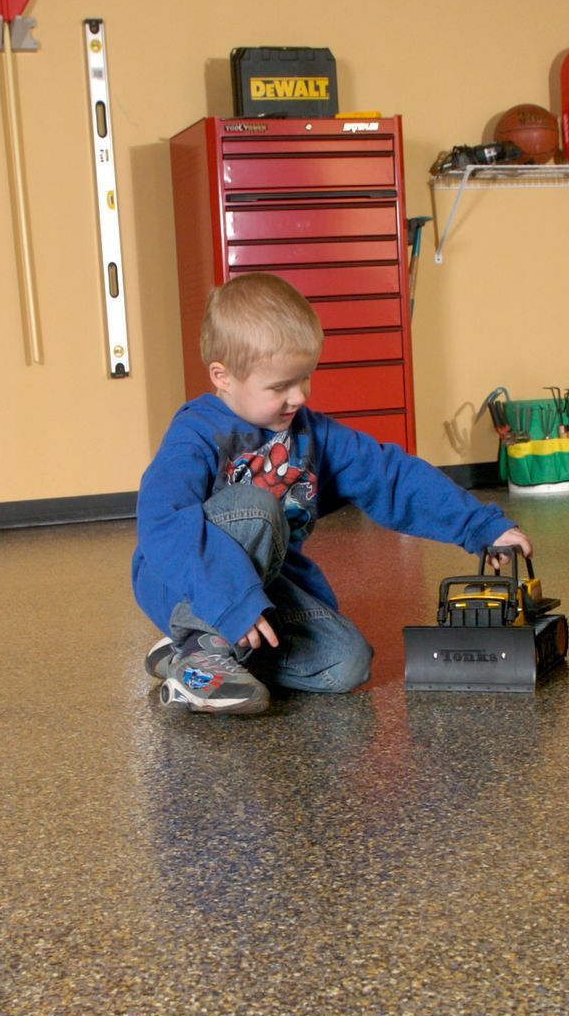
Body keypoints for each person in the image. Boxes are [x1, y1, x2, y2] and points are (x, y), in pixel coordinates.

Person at [134, 273, 532, 714]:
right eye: (279, 386)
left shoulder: (312, 435)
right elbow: (162, 521)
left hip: (259, 590)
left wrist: (479, 526)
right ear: (222, 377)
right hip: (183, 581)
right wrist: (230, 601)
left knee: (348, 664)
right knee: (259, 507)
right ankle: (199, 644)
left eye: (304, 378)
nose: (299, 396)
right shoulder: (196, 432)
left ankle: (189, 661)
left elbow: (390, 475)